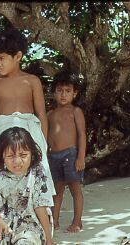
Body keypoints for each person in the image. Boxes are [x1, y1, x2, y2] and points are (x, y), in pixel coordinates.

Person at [0, 28, 56, 198]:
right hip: (5, 136)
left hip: (32, 134)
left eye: (2, 59)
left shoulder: (32, 81)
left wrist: (43, 146)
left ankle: (43, 220)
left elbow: (42, 116)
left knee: (38, 179)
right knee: (10, 179)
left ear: (17, 56)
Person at [0, 127, 54, 245]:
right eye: (10, 156)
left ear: (32, 154)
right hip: (4, 224)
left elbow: (40, 207)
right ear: (2, 157)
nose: (17, 161)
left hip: (31, 225)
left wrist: (48, 239)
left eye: (23, 155)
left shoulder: (36, 175)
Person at [47, 71, 86, 233]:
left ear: (75, 93)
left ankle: (77, 221)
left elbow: (82, 134)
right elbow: (46, 136)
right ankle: (54, 222)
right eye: (60, 90)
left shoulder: (75, 111)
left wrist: (81, 157)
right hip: (53, 156)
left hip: (71, 154)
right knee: (57, 191)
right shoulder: (50, 114)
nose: (63, 94)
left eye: (68, 91)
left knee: (75, 189)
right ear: (54, 92)